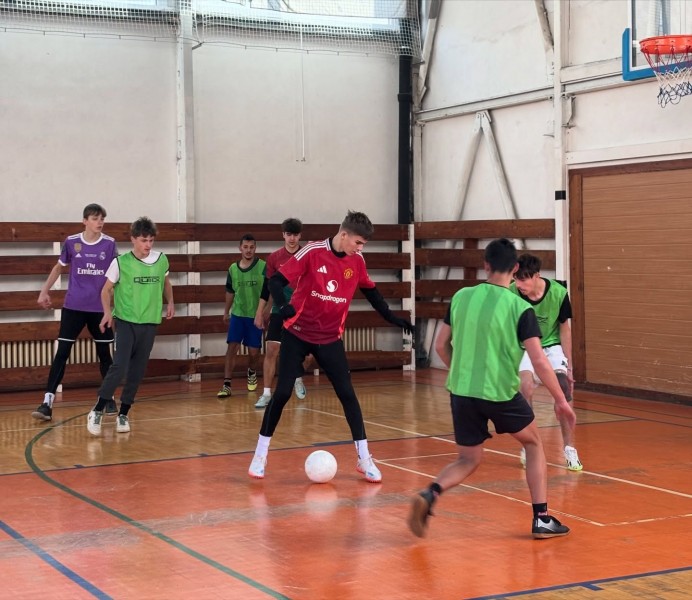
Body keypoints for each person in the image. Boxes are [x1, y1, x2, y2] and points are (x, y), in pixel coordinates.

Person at [407, 238, 576, 539]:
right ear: (515, 268)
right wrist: (561, 400)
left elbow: (441, 345)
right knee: (533, 445)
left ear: (485, 265)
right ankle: (541, 518)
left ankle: (431, 492)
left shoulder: (461, 297)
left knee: (468, 459)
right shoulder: (520, 307)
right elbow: (539, 360)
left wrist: (461, 372)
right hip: (499, 392)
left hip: (462, 392)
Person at [247, 211, 414, 483]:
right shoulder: (313, 252)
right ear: (344, 235)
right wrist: (284, 305)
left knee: (348, 395)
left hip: (330, 338)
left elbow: (371, 292)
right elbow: (276, 281)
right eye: (358, 243)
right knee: (283, 393)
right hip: (298, 334)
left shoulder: (356, 261)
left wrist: (392, 318)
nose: (360, 249)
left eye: (363, 245)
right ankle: (260, 455)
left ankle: (364, 458)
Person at [86, 217, 174, 435]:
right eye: (144, 240)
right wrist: (107, 312)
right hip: (126, 322)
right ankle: (97, 410)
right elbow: (105, 290)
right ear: (133, 239)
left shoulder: (161, 260)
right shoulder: (120, 262)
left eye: (151, 240)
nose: (148, 245)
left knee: (137, 371)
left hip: (149, 323)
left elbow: (166, 282)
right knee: (119, 367)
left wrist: (171, 302)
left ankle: (123, 414)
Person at [32, 203, 118, 421]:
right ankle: (47, 403)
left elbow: (116, 278)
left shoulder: (109, 244)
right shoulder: (72, 242)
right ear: (85, 221)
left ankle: (108, 398)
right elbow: (58, 267)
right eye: (95, 218)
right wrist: (44, 291)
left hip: (99, 309)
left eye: (102, 219)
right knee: (62, 353)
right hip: (73, 308)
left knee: (104, 355)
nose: (100, 222)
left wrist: (111, 309)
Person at [511, 253, 582, 471]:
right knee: (525, 387)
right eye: (516, 279)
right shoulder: (511, 293)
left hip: (551, 345)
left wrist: (569, 367)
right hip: (524, 345)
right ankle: (529, 444)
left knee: (562, 388)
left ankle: (569, 448)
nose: (519, 284)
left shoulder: (559, 293)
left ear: (537, 276)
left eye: (524, 279)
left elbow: (564, 329)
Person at [253, 217, 309, 409]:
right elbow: (267, 287)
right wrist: (260, 312)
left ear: (300, 235)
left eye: (295, 235)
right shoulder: (274, 258)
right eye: (288, 234)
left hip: (303, 309)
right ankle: (266, 393)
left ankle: (297, 376)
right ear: (283, 235)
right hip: (280, 308)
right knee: (271, 350)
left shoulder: (308, 255)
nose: (292, 238)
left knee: (309, 353)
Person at [217, 234, 266, 398]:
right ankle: (226, 384)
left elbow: (269, 290)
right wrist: (226, 311)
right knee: (232, 347)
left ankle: (251, 372)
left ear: (255, 248)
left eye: (251, 247)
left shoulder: (263, 267)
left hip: (255, 316)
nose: (248, 250)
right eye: (245, 247)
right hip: (238, 314)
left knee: (254, 352)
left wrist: (266, 311)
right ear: (240, 248)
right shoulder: (233, 269)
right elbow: (230, 292)